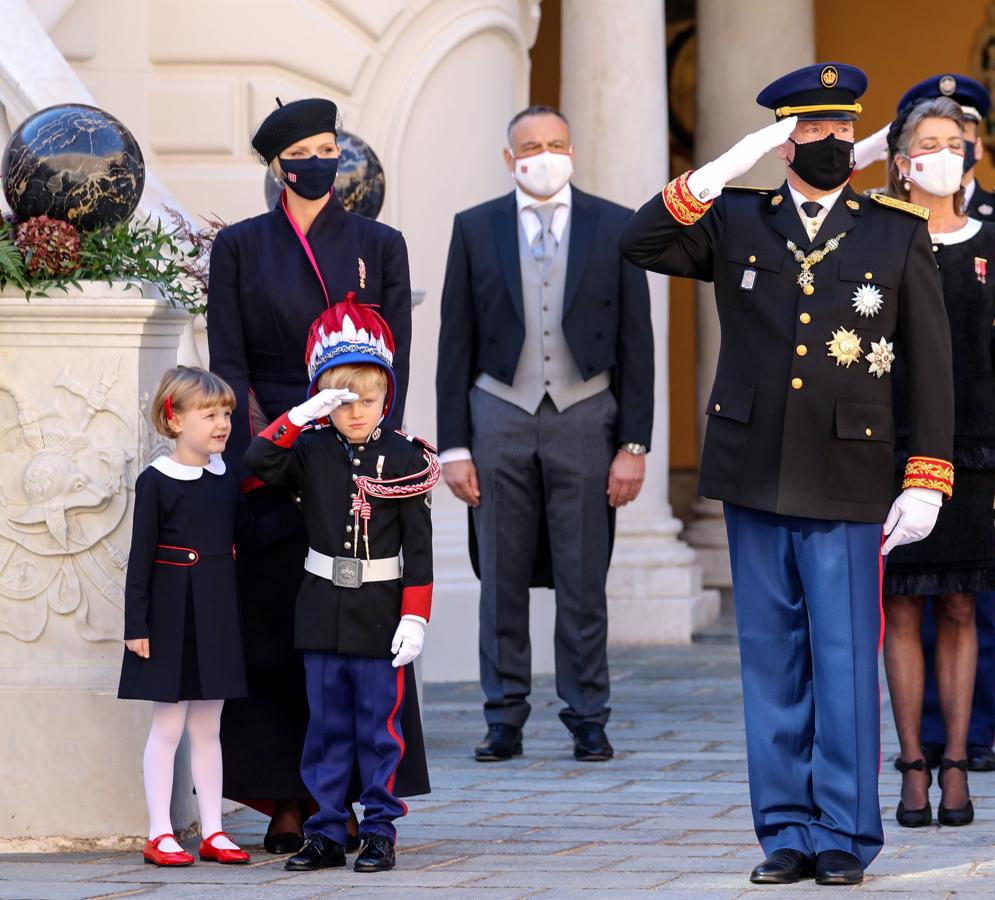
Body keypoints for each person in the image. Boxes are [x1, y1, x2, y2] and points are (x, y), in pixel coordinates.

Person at [619, 63, 955, 886]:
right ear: (782, 141)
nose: (833, 141)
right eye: (812, 128)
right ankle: (785, 833)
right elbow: (640, 242)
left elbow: (931, 366)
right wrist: (717, 171)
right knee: (770, 662)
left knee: (842, 660)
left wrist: (926, 476)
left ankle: (844, 831)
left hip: (850, 471)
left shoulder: (893, 228)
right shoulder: (736, 220)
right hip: (754, 468)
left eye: (844, 127)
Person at [207, 96, 414, 852]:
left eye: (334, 145)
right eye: (312, 148)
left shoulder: (379, 243)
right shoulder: (239, 246)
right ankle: (287, 797)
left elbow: (399, 362)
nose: (326, 158)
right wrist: (259, 446)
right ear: (280, 164)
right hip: (270, 453)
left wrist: (370, 441)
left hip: (352, 453)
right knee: (274, 628)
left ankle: (365, 798)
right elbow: (227, 360)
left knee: (359, 637)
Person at [436, 105, 654, 763]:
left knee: (584, 572)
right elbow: (455, 342)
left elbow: (637, 344)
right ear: (510, 158)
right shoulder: (475, 228)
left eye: (556, 143)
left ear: (573, 151)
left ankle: (588, 714)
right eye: (530, 145)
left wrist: (635, 445)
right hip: (498, 412)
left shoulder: (615, 225)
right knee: (499, 572)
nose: (544, 154)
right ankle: (503, 716)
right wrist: (453, 445)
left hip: (588, 414)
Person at [879, 96, 995, 829]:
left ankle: (956, 765)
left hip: (975, 453)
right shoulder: (875, 239)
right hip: (891, 454)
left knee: (959, 606)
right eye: (928, 141)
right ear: (901, 159)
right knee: (901, 608)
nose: (945, 152)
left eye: (955, 140)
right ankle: (912, 765)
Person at [245, 297, 438, 873]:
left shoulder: (406, 456)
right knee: (324, 728)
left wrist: (416, 616)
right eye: (344, 403)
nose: (357, 414)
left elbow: (420, 549)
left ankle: (378, 829)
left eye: (370, 401)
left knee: (380, 729)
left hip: (381, 612)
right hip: (322, 607)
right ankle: (326, 828)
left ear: (388, 395)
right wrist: (301, 416)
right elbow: (257, 461)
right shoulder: (308, 448)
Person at [118, 367, 249, 867]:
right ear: (174, 420)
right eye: (209, 414)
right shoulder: (156, 481)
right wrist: (137, 626)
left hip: (216, 613)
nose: (222, 424)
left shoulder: (224, 475)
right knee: (168, 725)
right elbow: (140, 556)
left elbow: (246, 530)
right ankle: (160, 832)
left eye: (227, 414)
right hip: (170, 617)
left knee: (208, 727)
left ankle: (214, 829)